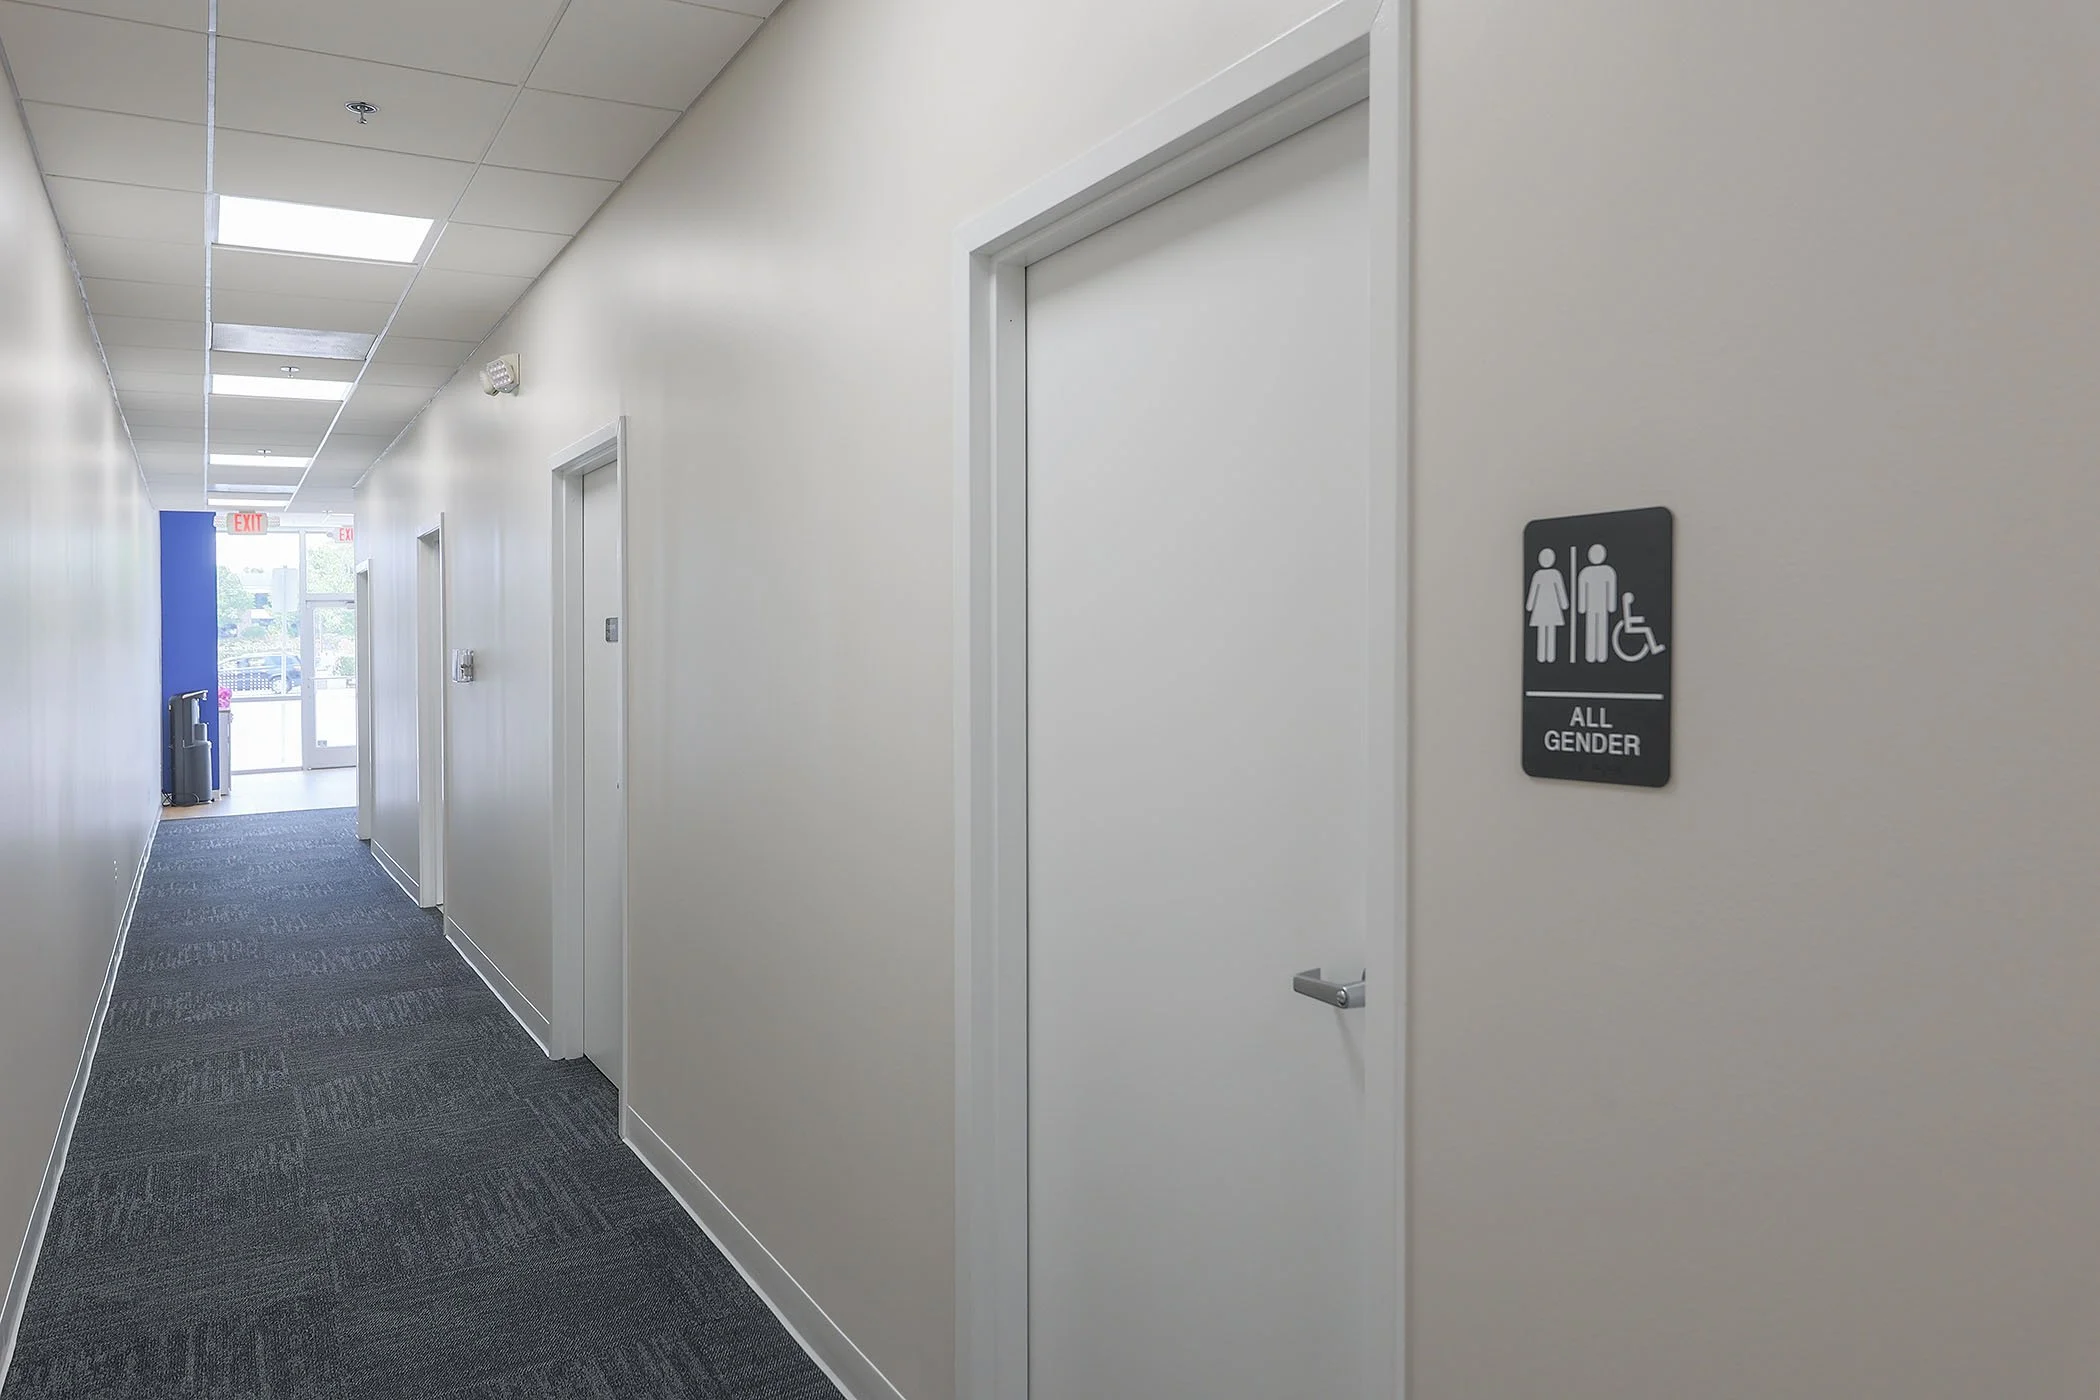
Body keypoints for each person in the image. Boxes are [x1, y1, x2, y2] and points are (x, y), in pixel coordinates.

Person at [1525, 548, 1569, 662]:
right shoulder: (1541, 575)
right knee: (1545, 631)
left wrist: (1564, 604)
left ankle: (1548, 656)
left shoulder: (1553, 574)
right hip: (1544, 608)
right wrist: (1529, 606)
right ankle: (1544, 656)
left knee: (1548, 631)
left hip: (1548, 608)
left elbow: (1560, 590)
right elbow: (1533, 591)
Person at [1576, 543, 1617, 662]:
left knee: (1602, 629)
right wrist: (1582, 607)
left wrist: (1611, 606)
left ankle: (1601, 655)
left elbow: (1611, 589)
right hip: (1591, 606)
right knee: (1592, 629)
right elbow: (1582, 591)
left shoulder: (1608, 571)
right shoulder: (1585, 573)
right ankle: (1590, 655)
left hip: (1602, 606)